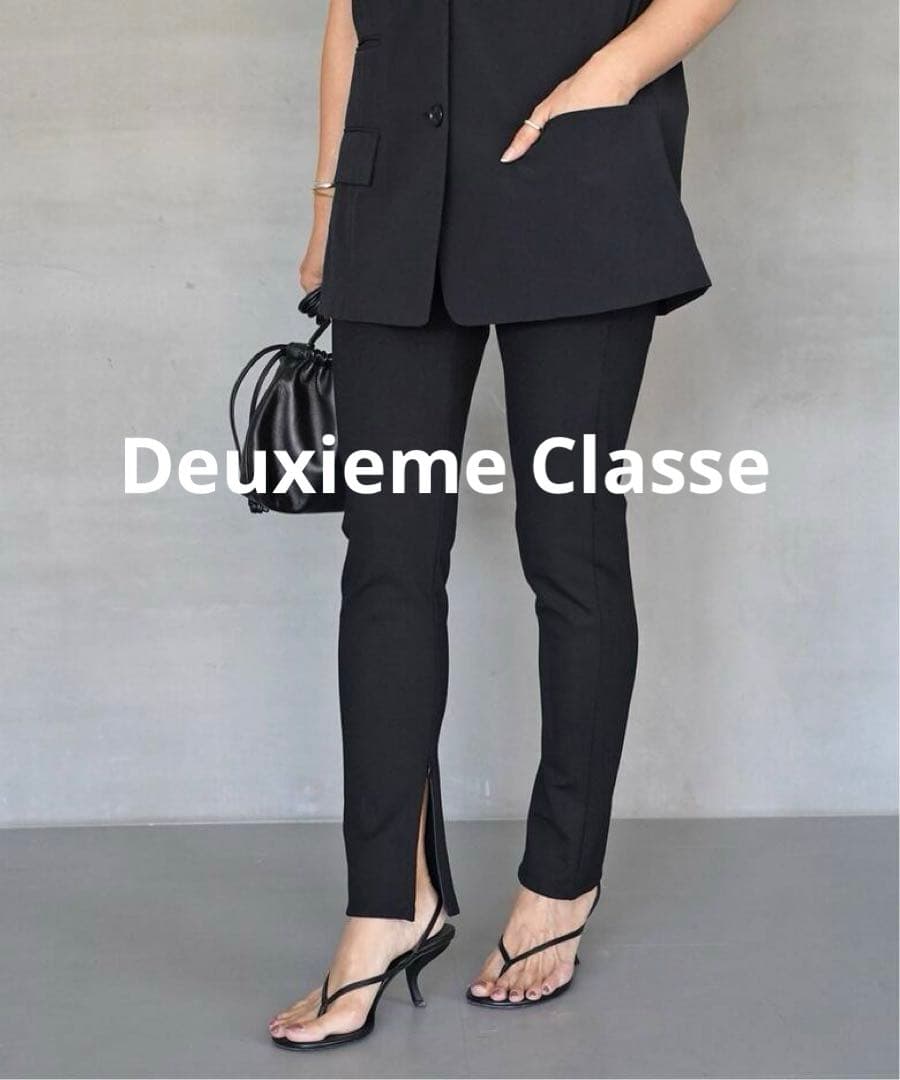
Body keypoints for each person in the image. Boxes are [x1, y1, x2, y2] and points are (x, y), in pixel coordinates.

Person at [269, 0, 739, 1050]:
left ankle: (560, 881)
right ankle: (386, 905)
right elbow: (348, 13)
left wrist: (605, 83)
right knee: (384, 561)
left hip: (572, 174)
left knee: (570, 549)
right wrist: (328, 204)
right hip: (394, 196)